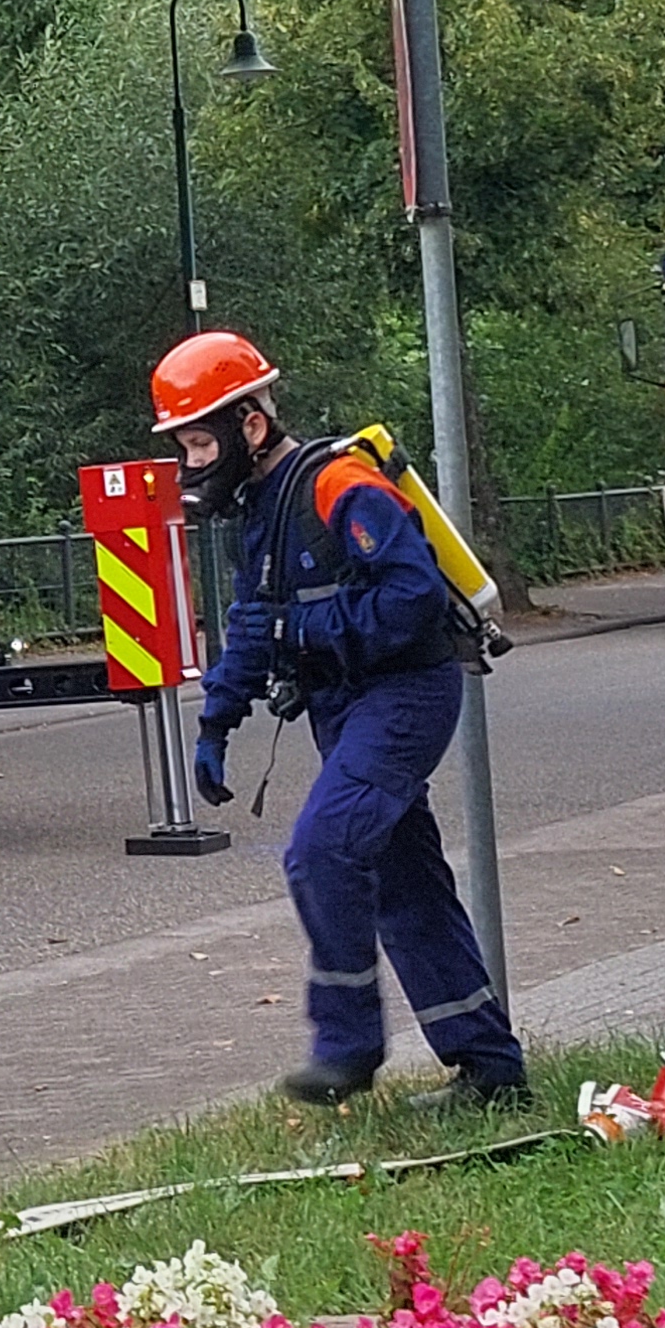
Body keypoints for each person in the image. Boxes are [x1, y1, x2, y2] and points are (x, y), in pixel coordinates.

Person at [156, 331, 526, 1110]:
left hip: (404, 696)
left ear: (248, 426)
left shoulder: (340, 487)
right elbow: (254, 617)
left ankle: (348, 1046)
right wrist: (217, 720)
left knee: (321, 853)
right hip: (343, 705)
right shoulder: (266, 508)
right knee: (407, 885)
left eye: (197, 443)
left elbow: (414, 598)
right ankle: (491, 1070)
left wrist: (308, 635)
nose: (191, 464)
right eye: (184, 446)